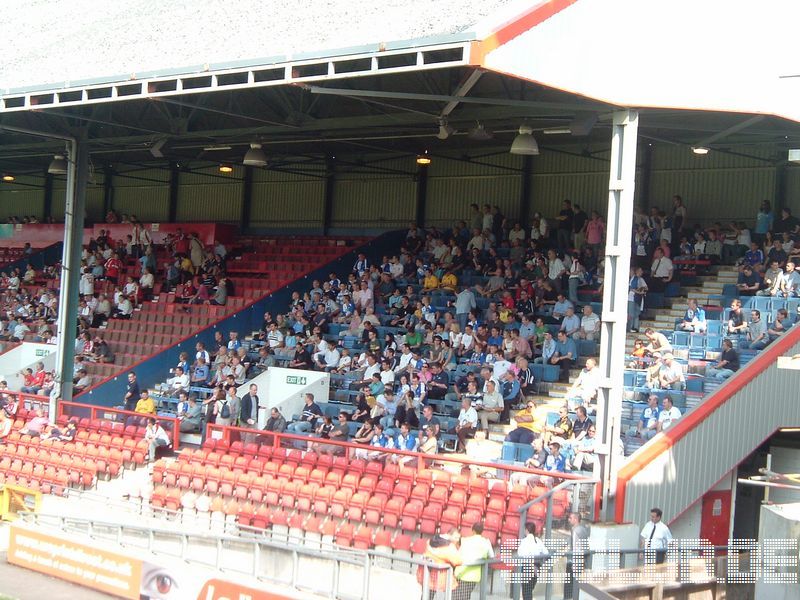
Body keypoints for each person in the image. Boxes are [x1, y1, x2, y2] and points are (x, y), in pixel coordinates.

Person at [454, 523, 494, 599]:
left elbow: (458, 554)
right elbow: (491, 556)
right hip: (474, 576)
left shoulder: (465, 540)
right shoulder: (486, 542)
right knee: (465, 596)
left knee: (457, 597)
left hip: (461, 573)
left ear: (472, 530)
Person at [417, 532, 462, 600]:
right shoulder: (449, 547)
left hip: (427, 575)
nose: (457, 540)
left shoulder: (430, 542)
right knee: (453, 594)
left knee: (426, 595)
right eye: (456, 537)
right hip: (441, 578)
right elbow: (458, 561)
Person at [517, 521, 549, 600]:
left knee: (526, 591)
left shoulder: (524, 541)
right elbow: (546, 552)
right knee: (529, 590)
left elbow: (520, 554)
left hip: (527, 567)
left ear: (527, 530)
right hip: (537, 567)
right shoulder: (538, 540)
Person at [566, 512, 591, 600]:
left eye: (570, 518)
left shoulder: (576, 531)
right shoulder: (583, 529)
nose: (569, 520)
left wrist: (573, 563)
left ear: (576, 519)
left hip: (575, 562)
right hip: (582, 561)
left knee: (569, 587)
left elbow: (576, 547)